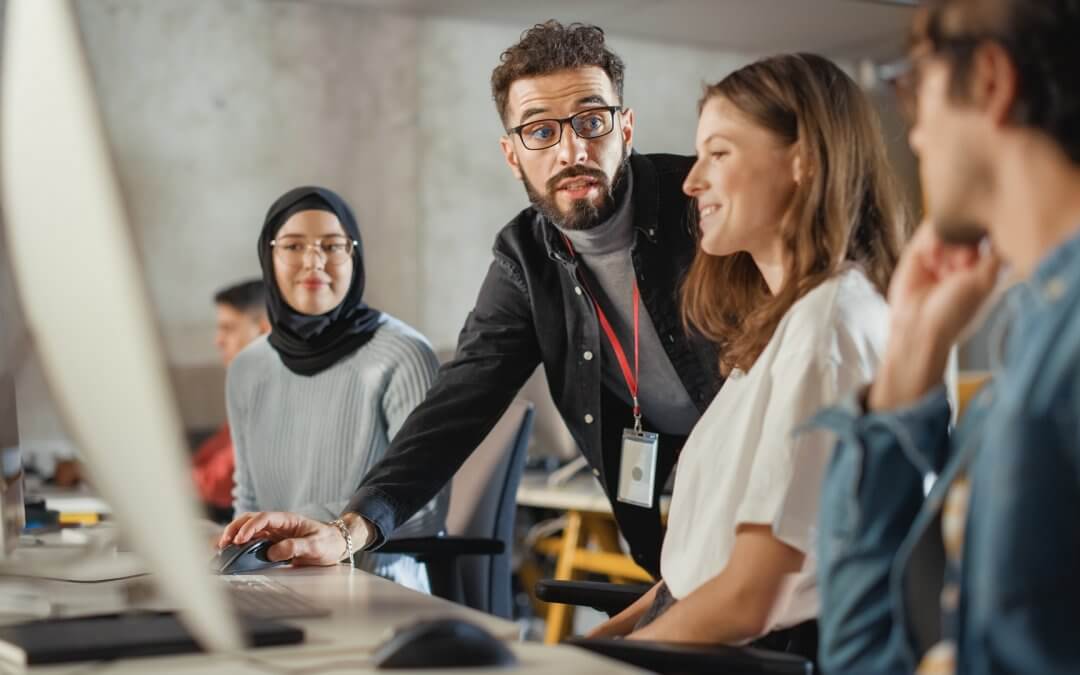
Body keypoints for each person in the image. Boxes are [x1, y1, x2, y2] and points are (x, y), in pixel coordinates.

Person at [220, 21, 721, 577]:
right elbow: (459, 405)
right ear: (512, 154)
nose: (572, 148)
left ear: (625, 128)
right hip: (685, 485)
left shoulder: (702, 203)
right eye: (540, 131)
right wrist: (347, 533)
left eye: (591, 120)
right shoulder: (525, 259)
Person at [584, 54, 908, 657]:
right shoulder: (787, 322)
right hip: (703, 633)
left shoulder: (827, 327)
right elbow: (712, 557)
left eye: (720, 152)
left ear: (803, 160)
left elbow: (750, 597)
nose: (691, 180)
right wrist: (612, 631)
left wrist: (600, 662)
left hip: (746, 653)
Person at [811, 1, 1080, 673]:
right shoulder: (1033, 332)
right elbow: (865, 658)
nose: (917, 134)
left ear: (989, 80)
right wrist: (908, 357)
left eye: (914, 84)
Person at [225, 186, 447, 592]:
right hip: (277, 581)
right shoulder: (247, 367)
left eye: (332, 245)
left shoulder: (403, 354)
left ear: (354, 255)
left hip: (378, 584)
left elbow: (426, 507)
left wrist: (310, 528)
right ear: (268, 257)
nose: (313, 261)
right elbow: (249, 500)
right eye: (293, 246)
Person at [191, 279, 270, 523]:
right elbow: (206, 462)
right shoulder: (249, 389)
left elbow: (220, 484)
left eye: (229, 328)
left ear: (263, 330)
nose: (218, 341)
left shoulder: (276, 393)